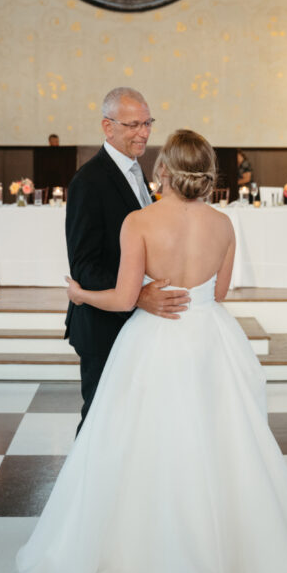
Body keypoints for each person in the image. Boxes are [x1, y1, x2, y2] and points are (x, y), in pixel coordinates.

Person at [0, 129, 287, 573]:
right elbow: (220, 294)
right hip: (210, 340)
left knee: (143, 446)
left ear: (163, 172)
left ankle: (147, 559)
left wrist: (80, 292)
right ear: (208, 174)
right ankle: (237, 569)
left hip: (155, 342)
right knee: (226, 449)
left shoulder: (139, 222)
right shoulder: (224, 224)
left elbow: (123, 298)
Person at [64, 86, 189, 426]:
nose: (144, 132)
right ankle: (89, 481)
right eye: (133, 124)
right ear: (108, 127)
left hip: (135, 325)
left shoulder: (136, 173)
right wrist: (138, 296)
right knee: (100, 422)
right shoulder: (87, 182)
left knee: (131, 424)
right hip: (103, 326)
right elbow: (85, 267)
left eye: (147, 122)